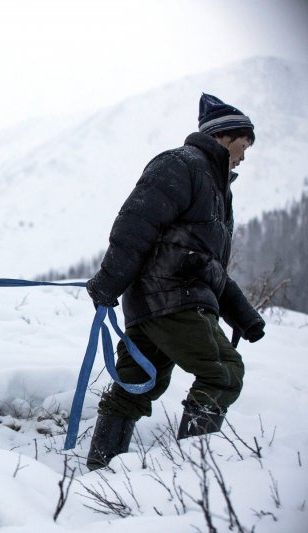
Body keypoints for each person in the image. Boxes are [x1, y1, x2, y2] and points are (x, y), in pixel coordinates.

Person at [84, 93, 266, 471]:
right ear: (223, 135)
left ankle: (100, 473)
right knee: (224, 374)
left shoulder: (216, 189)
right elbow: (135, 226)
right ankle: (192, 476)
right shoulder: (181, 165)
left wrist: (244, 317)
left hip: (157, 303)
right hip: (173, 298)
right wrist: (108, 282)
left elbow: (208, 266)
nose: (244, 157)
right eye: (242, 145)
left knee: (136, 384)